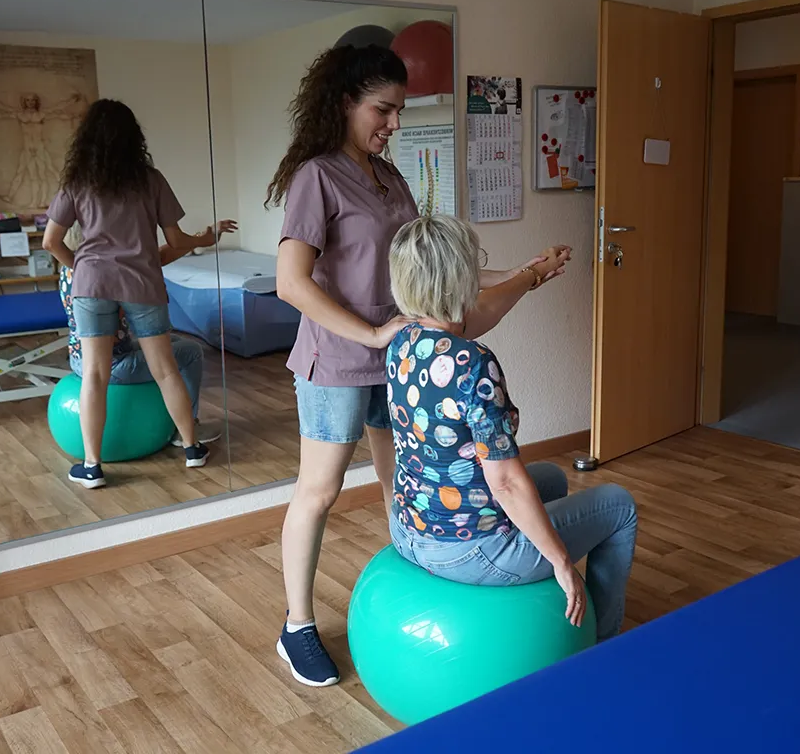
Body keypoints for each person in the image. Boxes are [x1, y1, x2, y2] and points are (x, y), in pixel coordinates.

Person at [268, 43, 574, 687]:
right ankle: (297, 627)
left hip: (402, 356)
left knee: (399, 478)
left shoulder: (389, 177)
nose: (395, 124)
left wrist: (524, 272)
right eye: (383, 110)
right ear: (345, 102)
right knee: (319, 491)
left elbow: (434, 270)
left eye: (399, 111)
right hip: (336, 358)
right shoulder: (317, 177)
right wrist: (371, 332)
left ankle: (418, 586)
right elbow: (291, 283)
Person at [385, 214, 638, 639]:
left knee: (552, 478)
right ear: (461, 278)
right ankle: (605, 639)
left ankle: (548, 610)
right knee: (618, 505)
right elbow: (503, 482)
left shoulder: (401, 340)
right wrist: (561, 561)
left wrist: (532, 274)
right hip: (471, 551)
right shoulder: (472, 363)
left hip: (409, 530)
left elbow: (484, 311)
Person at [42, 98, 230, 488]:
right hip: (142, 283)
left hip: (93, 284)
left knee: (94, 374)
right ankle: (192, 448)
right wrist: (204, 238)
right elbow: (175, 241)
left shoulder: (77, 183)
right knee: (166, 368)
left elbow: (50, 242)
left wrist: (81, 268)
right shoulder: (151, 180)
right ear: (133, 138)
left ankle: (92, 466)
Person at [56, 221, 234, 452]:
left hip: (79, 358)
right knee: (190, 352)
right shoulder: (106, 273)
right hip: (112, 365)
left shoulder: (71, 267)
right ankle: (187, 430)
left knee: (177, 344)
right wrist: (199, 240)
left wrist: (199, 239)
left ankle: (178, 419)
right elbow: (155, 261)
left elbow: (157, 257)